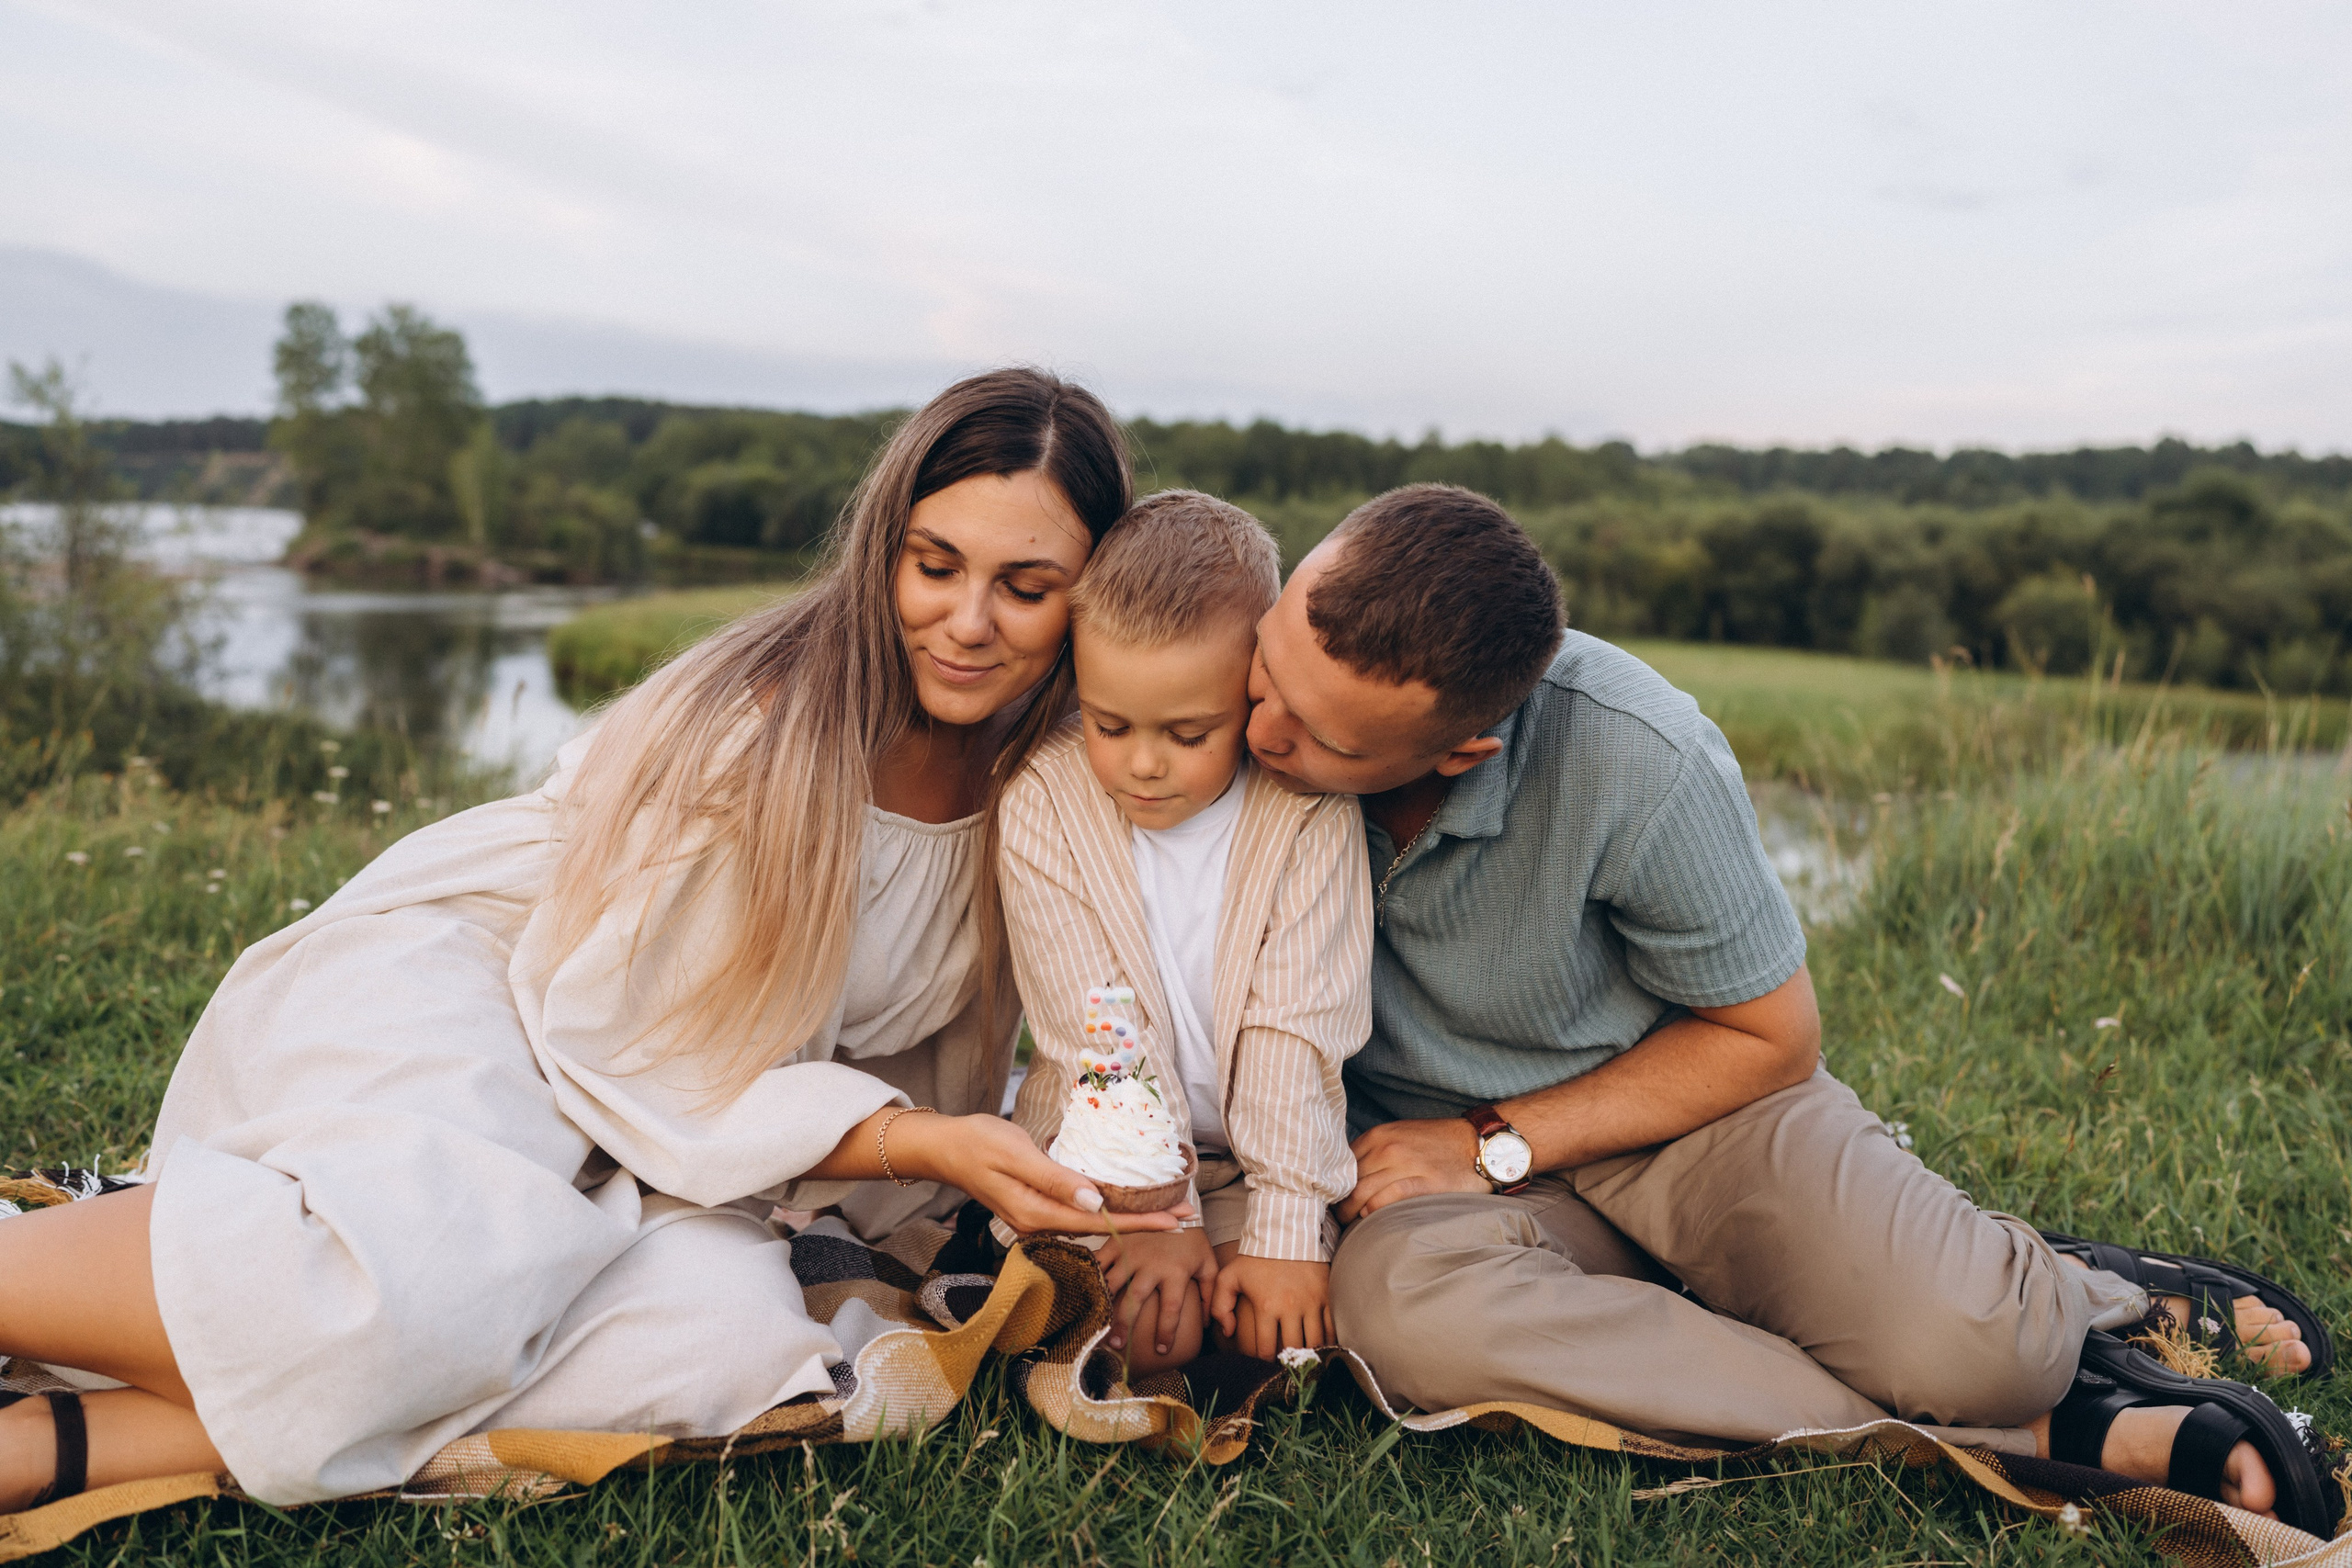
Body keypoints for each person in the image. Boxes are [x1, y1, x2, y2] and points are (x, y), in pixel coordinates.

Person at [0, 368, 1192, 1514]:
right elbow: (636, 1036)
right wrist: (909, 1136)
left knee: (721, 1344)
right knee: (414, 1274)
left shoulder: (1051, 786)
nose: (966, 621)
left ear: (1093, 595)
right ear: (885, 546)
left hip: (673, 1136)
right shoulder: (762, 726)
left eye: (1024, 587)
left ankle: (68, 1429)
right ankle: (48, 1381)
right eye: (934, 565)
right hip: (502, 992)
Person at [1242, 483, 2324, 1523]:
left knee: (1985, 1352)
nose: (1260, 733)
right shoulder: (1212, 701)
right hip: (1427, 1185)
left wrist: (1488, 1145)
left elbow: (1769, 1037)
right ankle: (2041, 1434)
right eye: (1270, 668)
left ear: (1461, 747)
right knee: (1394, 1317)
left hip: (1680, 1119)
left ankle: (2072, 1297)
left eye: (1324, 739)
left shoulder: (1638, 754)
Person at [999, 491, 1371, 1375]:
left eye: (1189, 731)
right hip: (1101, 1148)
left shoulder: (1304, 812)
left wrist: (1285, 1231)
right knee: (1144, 1335)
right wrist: (1161, 1215)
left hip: (1262, 1160)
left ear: (1253, 687)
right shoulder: (1045, 799)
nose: (1142, 763)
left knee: (1276, 1327)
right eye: (1109, 722)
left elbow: (1298, 1031)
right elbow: (1099, 1034)